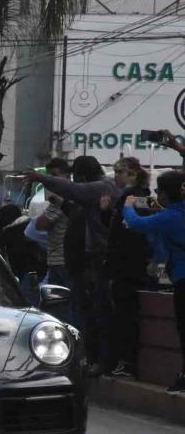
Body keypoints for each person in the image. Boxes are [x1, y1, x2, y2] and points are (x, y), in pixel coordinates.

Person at [25, 156, 121, 376]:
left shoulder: (101, 187)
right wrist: (63, 204)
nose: (74, 179)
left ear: (83, 175)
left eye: (76, 174)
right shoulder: (96, 191)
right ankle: (89, 358)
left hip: (98, 261)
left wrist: (40, 177)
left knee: (97, 314)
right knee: (86, 313)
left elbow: (72, 189)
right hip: (85, 261)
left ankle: (100, 360)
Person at [122, 170, 185, 393]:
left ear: (166, 194)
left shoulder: (168, 217)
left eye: (159, 191)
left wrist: (128, 204)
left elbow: (136, 223)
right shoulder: (172, 214)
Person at [106, 157, 152, 379]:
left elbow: (127, 234)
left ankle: (127, 362)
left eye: (120, 172)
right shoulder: (130, 196)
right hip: (126, 266)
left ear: (132, 174)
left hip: (127, 267)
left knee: (125, 316)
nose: (116, 176)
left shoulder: (133, 197)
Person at [35, 159, 72, 319]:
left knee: (59, 309)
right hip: (59, 259)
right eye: (49, 176)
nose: (51, 180)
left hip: (62, 260)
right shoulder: (62, 198)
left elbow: (41, 223)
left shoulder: (62, 199)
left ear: (67, 176)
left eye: (55, 176)